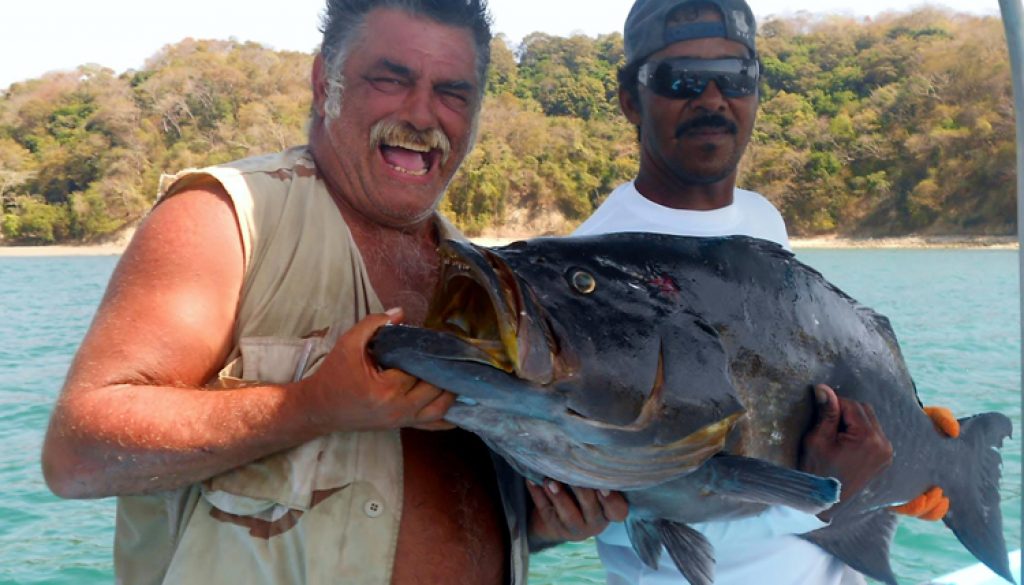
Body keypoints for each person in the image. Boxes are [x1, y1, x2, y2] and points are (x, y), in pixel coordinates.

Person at [40, 1, 625, 583]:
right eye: (391, 80)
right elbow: (77, 456)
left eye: (453, 93)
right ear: (326, 83)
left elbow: (444, 516)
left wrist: (543, 522)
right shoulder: (224, 218)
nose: (423, 114)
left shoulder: (491, 288)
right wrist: (311, 405)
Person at [574, 0, 959, 583]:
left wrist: (899, 446)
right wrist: (833, 491)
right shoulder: (587, 280)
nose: (710, 99)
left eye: (735, 78)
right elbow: (637, 510)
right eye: (679, 80)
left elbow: (806, 383)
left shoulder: (760, 219)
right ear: (631, 98)